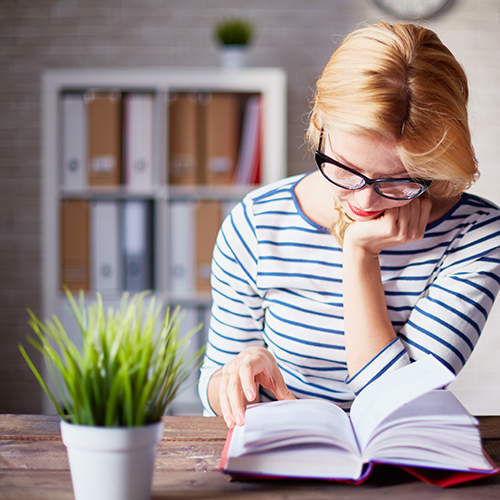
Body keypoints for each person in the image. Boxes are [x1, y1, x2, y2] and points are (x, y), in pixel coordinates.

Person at [198, 21, 500, 429]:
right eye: (344, 168)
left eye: (398, 179)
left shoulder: (476, 235)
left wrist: (360, 254)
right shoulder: (257, 222)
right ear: (320, 124)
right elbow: (213, 383)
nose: (365, 201)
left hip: (398, 458)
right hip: (283, 451)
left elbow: (397, 401)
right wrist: (233, 377)